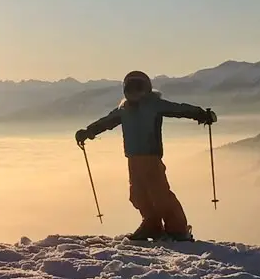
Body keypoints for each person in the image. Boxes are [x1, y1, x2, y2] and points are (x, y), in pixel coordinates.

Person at [75, 70, 217, 241]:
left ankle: (177, 229)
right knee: (137, 194)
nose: (135, 92)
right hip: (133, 159)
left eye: (138, 87)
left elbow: (179, 109)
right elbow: (105, 122)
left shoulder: (153, 105)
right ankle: (152, 225)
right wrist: (88, 132)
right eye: (131, 88)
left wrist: (201, 114)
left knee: (160, 194)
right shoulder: (124, 109)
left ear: (147, 89)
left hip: (151, 158)